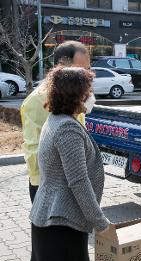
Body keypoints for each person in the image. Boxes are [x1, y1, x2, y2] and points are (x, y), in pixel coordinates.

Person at [30, 66, 110, 261]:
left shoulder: (56, 119)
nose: (90, 95)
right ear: (76, 95)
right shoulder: (67, 129)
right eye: (87, 91)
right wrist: (101, 223)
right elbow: (78, 181)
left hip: (53, 219)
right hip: (61, 224)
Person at [21, 41, 90, 203]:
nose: (88, 76)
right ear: (62, 66)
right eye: (82, 70)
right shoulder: (37, 100)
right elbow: (34, 150)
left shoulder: (76, 96)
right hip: (49, 187)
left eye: (88, 69)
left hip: (75, 182)